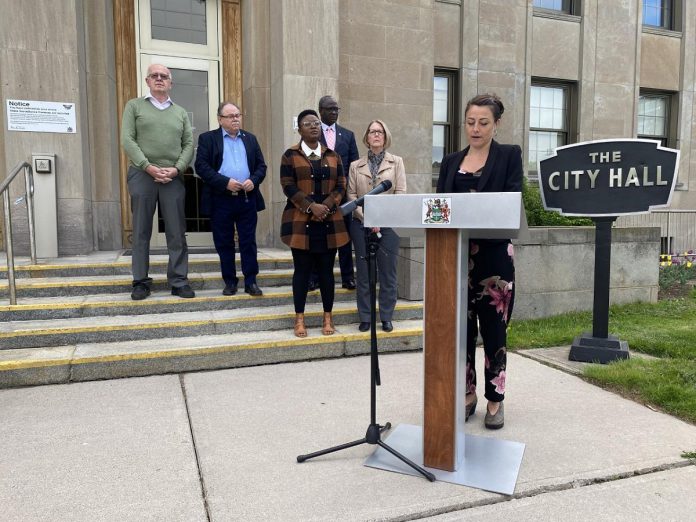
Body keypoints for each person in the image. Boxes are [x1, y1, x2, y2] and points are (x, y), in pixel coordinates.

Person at [436, 93, 522, 430]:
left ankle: (495, 400)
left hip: (494, 259)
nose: (475, 128)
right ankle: (467, 395)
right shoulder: (449, 161)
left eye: (483, 123)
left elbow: (512, 200)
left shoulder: (508, 156)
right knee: (461, 333)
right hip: (454, 257)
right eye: (470, 122)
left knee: (494, 331)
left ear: (495, 124)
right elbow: (439, 207)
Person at [121, 64, 195, 300]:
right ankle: (140, 281)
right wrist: (148, 166)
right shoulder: (134, 106)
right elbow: (127, 139)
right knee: (142, 230)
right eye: (155, 76)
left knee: (176, 231)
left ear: (171, 83)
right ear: (147, 80)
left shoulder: (180, 112)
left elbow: (188, 144)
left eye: (164, 76)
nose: (160, 79)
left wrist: (176, 169)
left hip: (172, 177)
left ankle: (179, 280)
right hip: (142, 174)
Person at [280, 109, 350, 338]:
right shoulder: (290, 155)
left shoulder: (333, 155)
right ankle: (299, 319)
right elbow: (288, 186)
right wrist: (311, 207)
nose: (314, 127)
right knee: (301, 272)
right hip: (301, 222)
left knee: (327, 272)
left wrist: (327, 206)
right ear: (299, 129)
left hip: (329, 223)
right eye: (308, 123)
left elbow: (341, 185)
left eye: (317, 123)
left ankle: (327, 317)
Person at [195, 101, 267, 297]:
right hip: (221, 199)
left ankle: (251, 281)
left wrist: (253, 180)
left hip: (246, 198)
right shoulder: (208, 139)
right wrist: (224, 182)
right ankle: (230, 282)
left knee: (248, 241)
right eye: (230, 116)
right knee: (224, 242)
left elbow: (261, 166)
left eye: (238, 115)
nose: (235, 118)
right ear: (220, 119)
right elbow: (201, 167)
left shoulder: (250, 139)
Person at [347, 120, 407, 333]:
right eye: (372, 131)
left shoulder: (397, 162)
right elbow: (352, 196)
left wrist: (382, 219)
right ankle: (365, 316)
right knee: (364, 272)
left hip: (389, 226)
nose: (376, 135)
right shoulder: (356, 165)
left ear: (385, 135)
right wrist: (367, 219)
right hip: (361, 224)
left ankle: (386, 316)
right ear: (367, 136)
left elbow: (400, 193)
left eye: (380, 131)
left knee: (388, 273)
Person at [306, 95, 359, 291]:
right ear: (320, 111)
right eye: (330, 109)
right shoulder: (311, 135)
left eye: (337, 109)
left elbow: (354, 166)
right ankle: (314, 277)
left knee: (344, 238)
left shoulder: (348, 135)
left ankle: (347, 277)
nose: (334, 112)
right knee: (317, 239)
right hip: (318, 198)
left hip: (342, 197)